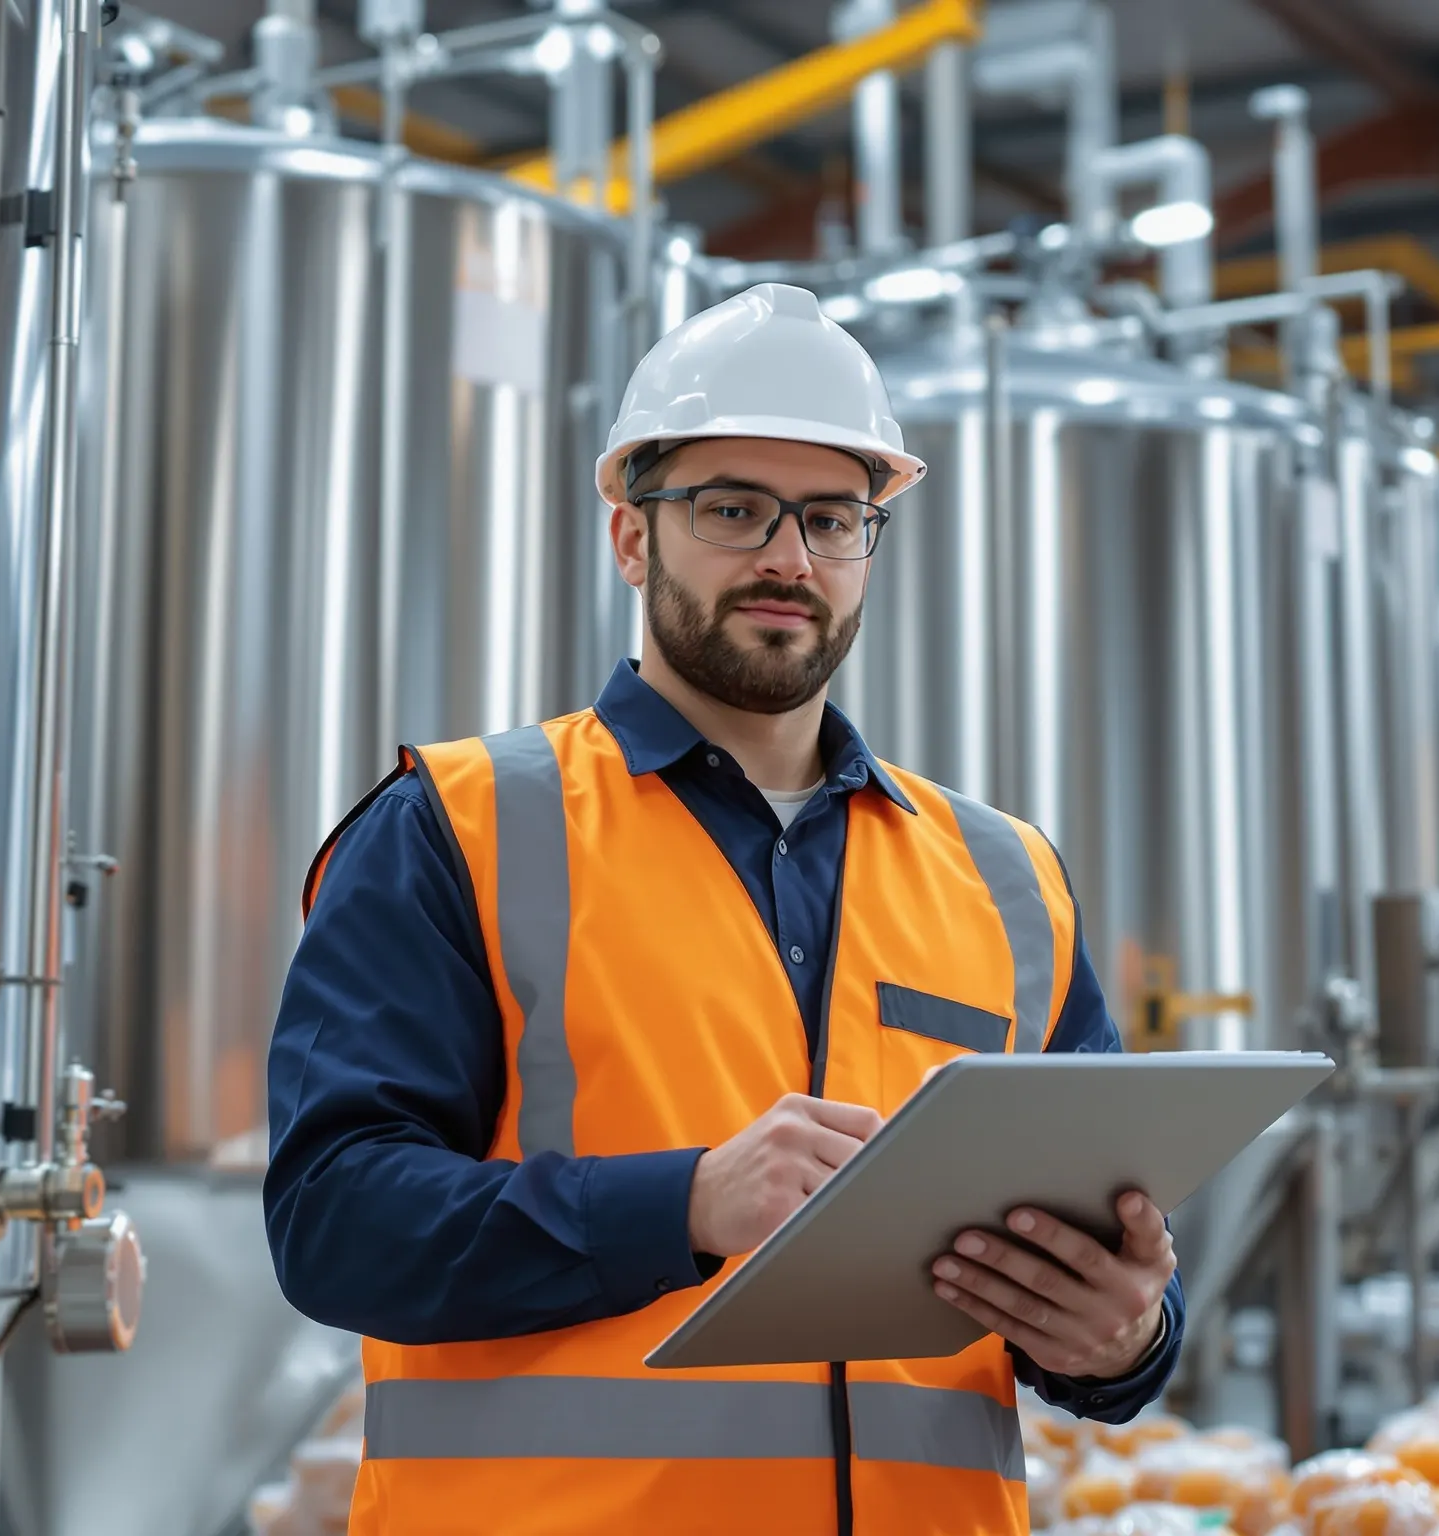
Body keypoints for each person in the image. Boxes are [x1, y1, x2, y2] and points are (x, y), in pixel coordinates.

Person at [265, 282, 1185, 1534]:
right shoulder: (458, 828)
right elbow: (333, 1222)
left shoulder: (1006, 878)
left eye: (832, 518)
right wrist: (686, 1203)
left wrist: (1123, 1337)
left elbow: (1094, 1260)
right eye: (733, 509)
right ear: (631, 538)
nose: (789, 559)